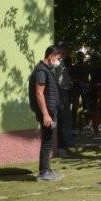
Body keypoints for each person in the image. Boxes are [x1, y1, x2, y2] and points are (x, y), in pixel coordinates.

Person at [29, 45, 63, 182]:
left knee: (48, 140)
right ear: (51, 56)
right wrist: (45, 115)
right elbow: (39, 93)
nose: (59, 61)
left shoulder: (46, 70)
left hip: (50, 110)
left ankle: (46, 169)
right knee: (47, 141)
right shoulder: (41, 71)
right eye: (58, 58)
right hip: (47, 112)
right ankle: (44, 172)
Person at [55, 42, 75, 157]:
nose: (68, 52)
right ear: (61, 50)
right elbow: (57, 80)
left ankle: (66, 142)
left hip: (65, 91)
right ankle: (62, 145)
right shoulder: (57, 63)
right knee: (63, 118)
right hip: (61, 92)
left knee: (66, 118)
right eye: (66, 50)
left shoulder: (62, 62)